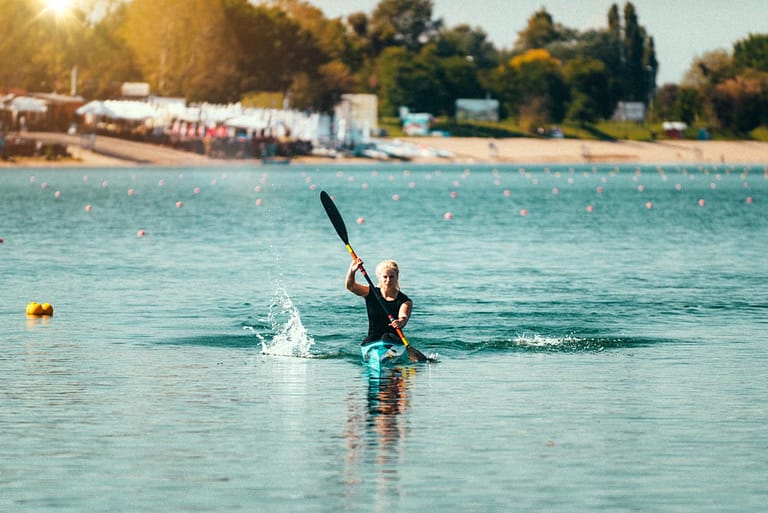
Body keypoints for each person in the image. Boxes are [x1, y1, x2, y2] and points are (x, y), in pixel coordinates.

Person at [346, 258, 412, 345]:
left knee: (386, 337)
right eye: (385, 277)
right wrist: (352, 271)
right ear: (379, 277)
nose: (388, 280)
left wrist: (400, 322)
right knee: (372, 339)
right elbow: (350, 286)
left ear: (397, 277)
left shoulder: (405, 301)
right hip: (373, 339)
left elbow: (404, 316)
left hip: (393, 340)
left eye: (392, 276)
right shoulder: (370, 292)